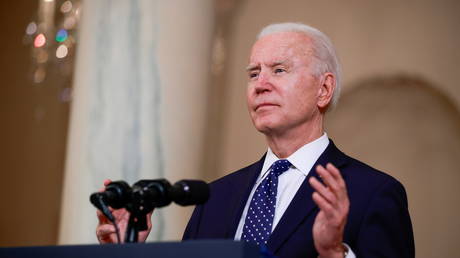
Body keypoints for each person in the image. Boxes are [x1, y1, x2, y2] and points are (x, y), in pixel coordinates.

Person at [96, 23, 415, 258]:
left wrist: (334, 253)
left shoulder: (373, 193)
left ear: (323, 89)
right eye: (253, 73)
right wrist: (127, 252)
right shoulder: (215, 198)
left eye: (279, 70)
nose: (260, 84)